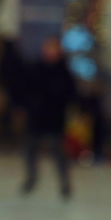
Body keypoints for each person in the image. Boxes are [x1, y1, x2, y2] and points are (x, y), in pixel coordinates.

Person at [21, 36, 76, 199]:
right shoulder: (36, 68)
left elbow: (70, 94)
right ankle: (31, 178)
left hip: (55, 119)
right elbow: (27, 90)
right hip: (36, 118)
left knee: (58, 152)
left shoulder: (64, 71)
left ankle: (64, 182)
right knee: (30, 149)